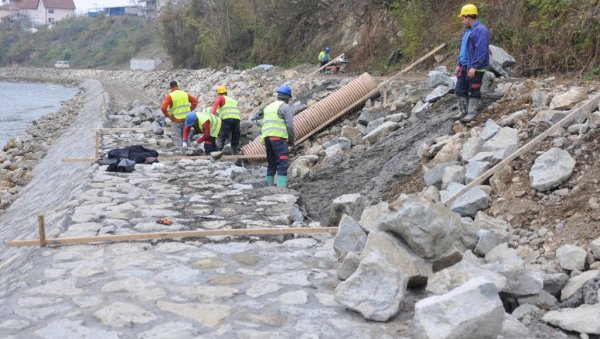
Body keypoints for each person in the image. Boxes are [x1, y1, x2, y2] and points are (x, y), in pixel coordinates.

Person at [454, 4, 490, 123]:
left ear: (468, 17)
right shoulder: (468, 31)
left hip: (475, 67)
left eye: (463, 18)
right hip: (464, 65)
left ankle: (471, 113)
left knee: (473, 89)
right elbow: (463, 49)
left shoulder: (481, 30)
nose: (462, 21)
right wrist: (459, 64)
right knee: (460, 89)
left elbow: (482, 50)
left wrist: (474, 66)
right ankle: (463, 111)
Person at [260, 85, 295, 188]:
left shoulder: (268, 107)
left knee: (271, 162)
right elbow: (289, 125)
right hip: (278, 137)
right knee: (282, 161)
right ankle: (281, 188)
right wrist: (291, 140)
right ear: (288, 97)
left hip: (266, 138)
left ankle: (268, 186)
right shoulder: (285, 107)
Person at [160, 81, 198, 146]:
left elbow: (163, 108)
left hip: (176, 120)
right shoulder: (185, 94)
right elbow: (195, 102)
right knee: (186, 136)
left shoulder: (170, 96)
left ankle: (181, 152)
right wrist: (190, 111)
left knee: (177, 137)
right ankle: (190, 151)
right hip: (186, 119)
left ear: (170, 87)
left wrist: (169, 116)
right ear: (177, 86)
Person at [211, 85, 241, 155]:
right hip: (237, 119)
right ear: (226, 92)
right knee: (235, 136)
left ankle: (218, 152)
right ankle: (235, 153)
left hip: (227, 118)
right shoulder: (233, 100)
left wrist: (212, 115)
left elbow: (215, 105)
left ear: (219, 93)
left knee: (222, 135)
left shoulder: (220, 97)